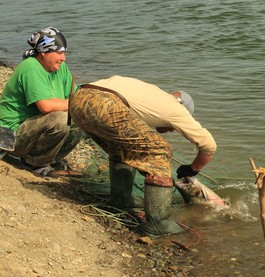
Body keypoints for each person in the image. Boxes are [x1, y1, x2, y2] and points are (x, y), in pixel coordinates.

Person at [69, 75, 217, 238]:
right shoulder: (176, 108)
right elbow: (208, 145)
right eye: (172, 128)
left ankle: (120, 200)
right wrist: (193, 169)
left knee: (123, 145)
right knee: (160, 150)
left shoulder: (152, 94)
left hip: (77, 100)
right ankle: (158, 223)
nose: (171, 130)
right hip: (106, 104)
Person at [0, 27, 82, 178]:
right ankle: (35, 163)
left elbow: (77, 95)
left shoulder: (60, 68)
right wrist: (73, 104)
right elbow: (45, 106)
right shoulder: (31, 68)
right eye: (59, 53)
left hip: (32, 130)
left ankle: (51, 159)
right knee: (60, 120)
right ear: (44, 52)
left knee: (81, 119)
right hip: (10, 136)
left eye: (64, 53)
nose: (64, 58)